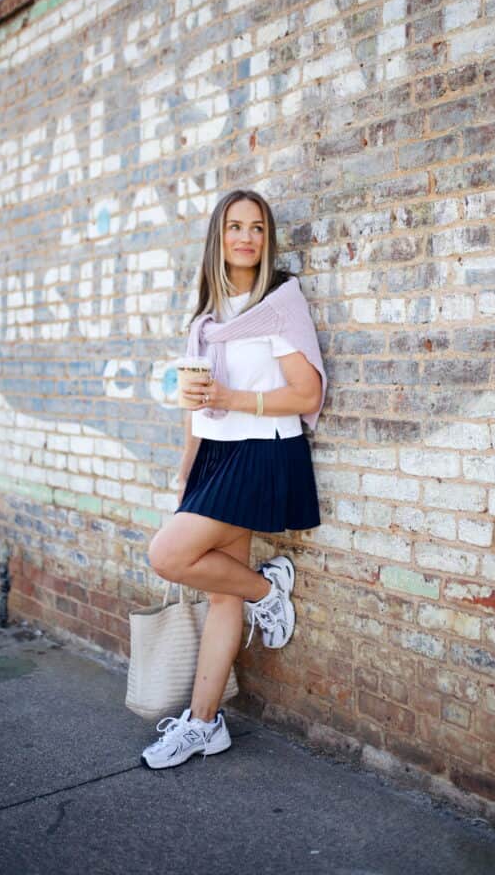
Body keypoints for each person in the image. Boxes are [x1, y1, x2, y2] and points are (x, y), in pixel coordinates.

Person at [140, 189, 328, 770]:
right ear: (217, 238)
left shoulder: (277, 302)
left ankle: (267, 591)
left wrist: (231, 396)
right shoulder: (205, 320)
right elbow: (199, 405)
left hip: (264, 452)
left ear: (266, 239)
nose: (245, 237)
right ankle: (204, 724)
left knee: (166, 554)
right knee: (221, 591)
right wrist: (186, 465)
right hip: (216, 457)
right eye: (233, 227)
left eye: (256, 228)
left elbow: (307, 393)